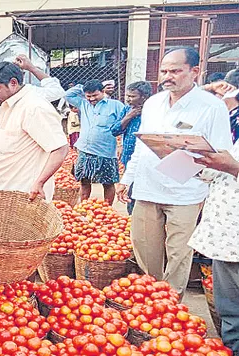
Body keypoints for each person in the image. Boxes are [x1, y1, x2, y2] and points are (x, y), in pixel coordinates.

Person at [116, 46, 233, 299]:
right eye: (164, 71)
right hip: (147, 188)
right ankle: (151, 296)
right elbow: (141, 145)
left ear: (195, 72)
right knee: (145, 248)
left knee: (179, 253)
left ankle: (171, 304)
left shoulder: (212, 107)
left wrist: (194, 168)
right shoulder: (153, 103)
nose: (167, 76)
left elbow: (221, 154)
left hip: (186, 192)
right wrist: (127, 179)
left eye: (175, 71)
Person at [0, 62, 68, 200]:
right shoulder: (7, 104)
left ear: (13, 83)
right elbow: (10, 144)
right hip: (3, 190)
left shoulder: (33, 107)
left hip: (24, 194)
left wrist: (40, 182)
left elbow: (60, 148)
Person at [188, 142, 239, 356]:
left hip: (231, 235)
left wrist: (234, 167)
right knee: (229, 311)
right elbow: (219, 174)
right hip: (227, 237)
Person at [66, 79, 126, 204]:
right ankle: (84, 206)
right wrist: (82, 86)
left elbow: (124, 124)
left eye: (95, 95)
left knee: (108, 183)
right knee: (84, 181)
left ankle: (107, 209)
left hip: (106, 151)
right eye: (88, 96)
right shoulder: (83, 104)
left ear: (103, 91)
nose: (92, 98)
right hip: (85, 150)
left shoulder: (116, 105)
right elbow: (68, 95)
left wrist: (121, 144)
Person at [112, 81, 153, 214]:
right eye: (127, 96)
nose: (128, 99)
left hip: (148, 159)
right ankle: (132, 220)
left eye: (132, 96)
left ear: (144, 97)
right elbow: (115, 130)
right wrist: (130, 116)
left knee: (141, 194)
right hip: (129, 157)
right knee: (130, 192)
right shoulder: (126, 110)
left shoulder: (154, 112)